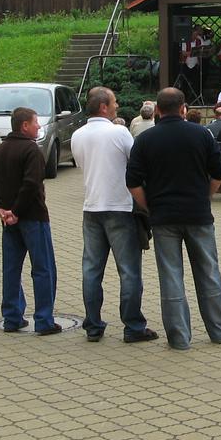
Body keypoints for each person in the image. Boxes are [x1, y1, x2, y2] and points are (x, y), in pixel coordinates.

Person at [126, 88, 221, 350]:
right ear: (184, 108)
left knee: (171, 276)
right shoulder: (202, 135)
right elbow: (219, 173)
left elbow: (132, 182)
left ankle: (179, 338)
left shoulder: (145, 139)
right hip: (198, 214)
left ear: (158, 111)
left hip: (163, 217)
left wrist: (149, 206)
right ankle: (220, 332)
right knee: (208, 272)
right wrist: (205, 197)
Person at [72, 88, 157, 344]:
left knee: (91, 270)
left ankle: (93, 325)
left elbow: (81, 166)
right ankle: (133, 325)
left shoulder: (77, 136)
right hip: (119, 208)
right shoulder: (119, 132)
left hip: (91, 208)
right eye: (114, 103)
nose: (117, 105)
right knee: (129, 271)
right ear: (103, 108)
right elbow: (137, 161)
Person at [0, 107, 59, 335]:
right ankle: (44, 321)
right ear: (24, 125)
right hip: (33, 218)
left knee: (11, 268)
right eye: (36, 123)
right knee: (43, 269)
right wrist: (16, 211)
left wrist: (0, 209)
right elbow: (31, 184)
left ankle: (12, 317)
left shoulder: (0, 151)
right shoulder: (32, 151)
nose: (39, 127)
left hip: (8, 221)